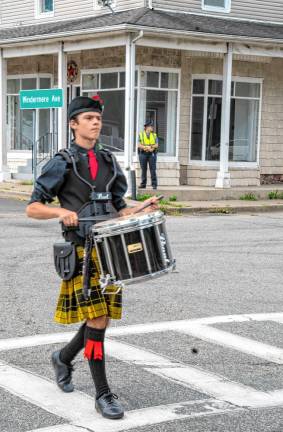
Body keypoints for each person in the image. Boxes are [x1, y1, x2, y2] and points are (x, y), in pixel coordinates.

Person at [26, 95, 158, 420]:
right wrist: (61, 211)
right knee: (98, 320)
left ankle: (63, 357)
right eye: (87, 118)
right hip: (82, 251)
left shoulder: (110, 162)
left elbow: (118, 207)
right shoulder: (62, 162)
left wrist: (141, 208)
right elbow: (33, 207)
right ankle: (102, 395)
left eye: (97, 118)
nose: (95, 122)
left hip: (110, 252)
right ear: (73, 124)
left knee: (100, 320)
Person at [138, 120, 159, 190]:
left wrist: (151, 148)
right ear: (147, 127)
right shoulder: (141, 134)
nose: (152, 127)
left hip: (152, 153)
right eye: (151, 126)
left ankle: (154, 185)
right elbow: (139, 145)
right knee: (143, 169)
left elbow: (156, 145)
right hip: (143, 154)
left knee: (153, 169)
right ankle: (143, 184)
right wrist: (145, 147)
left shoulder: (154, 135)